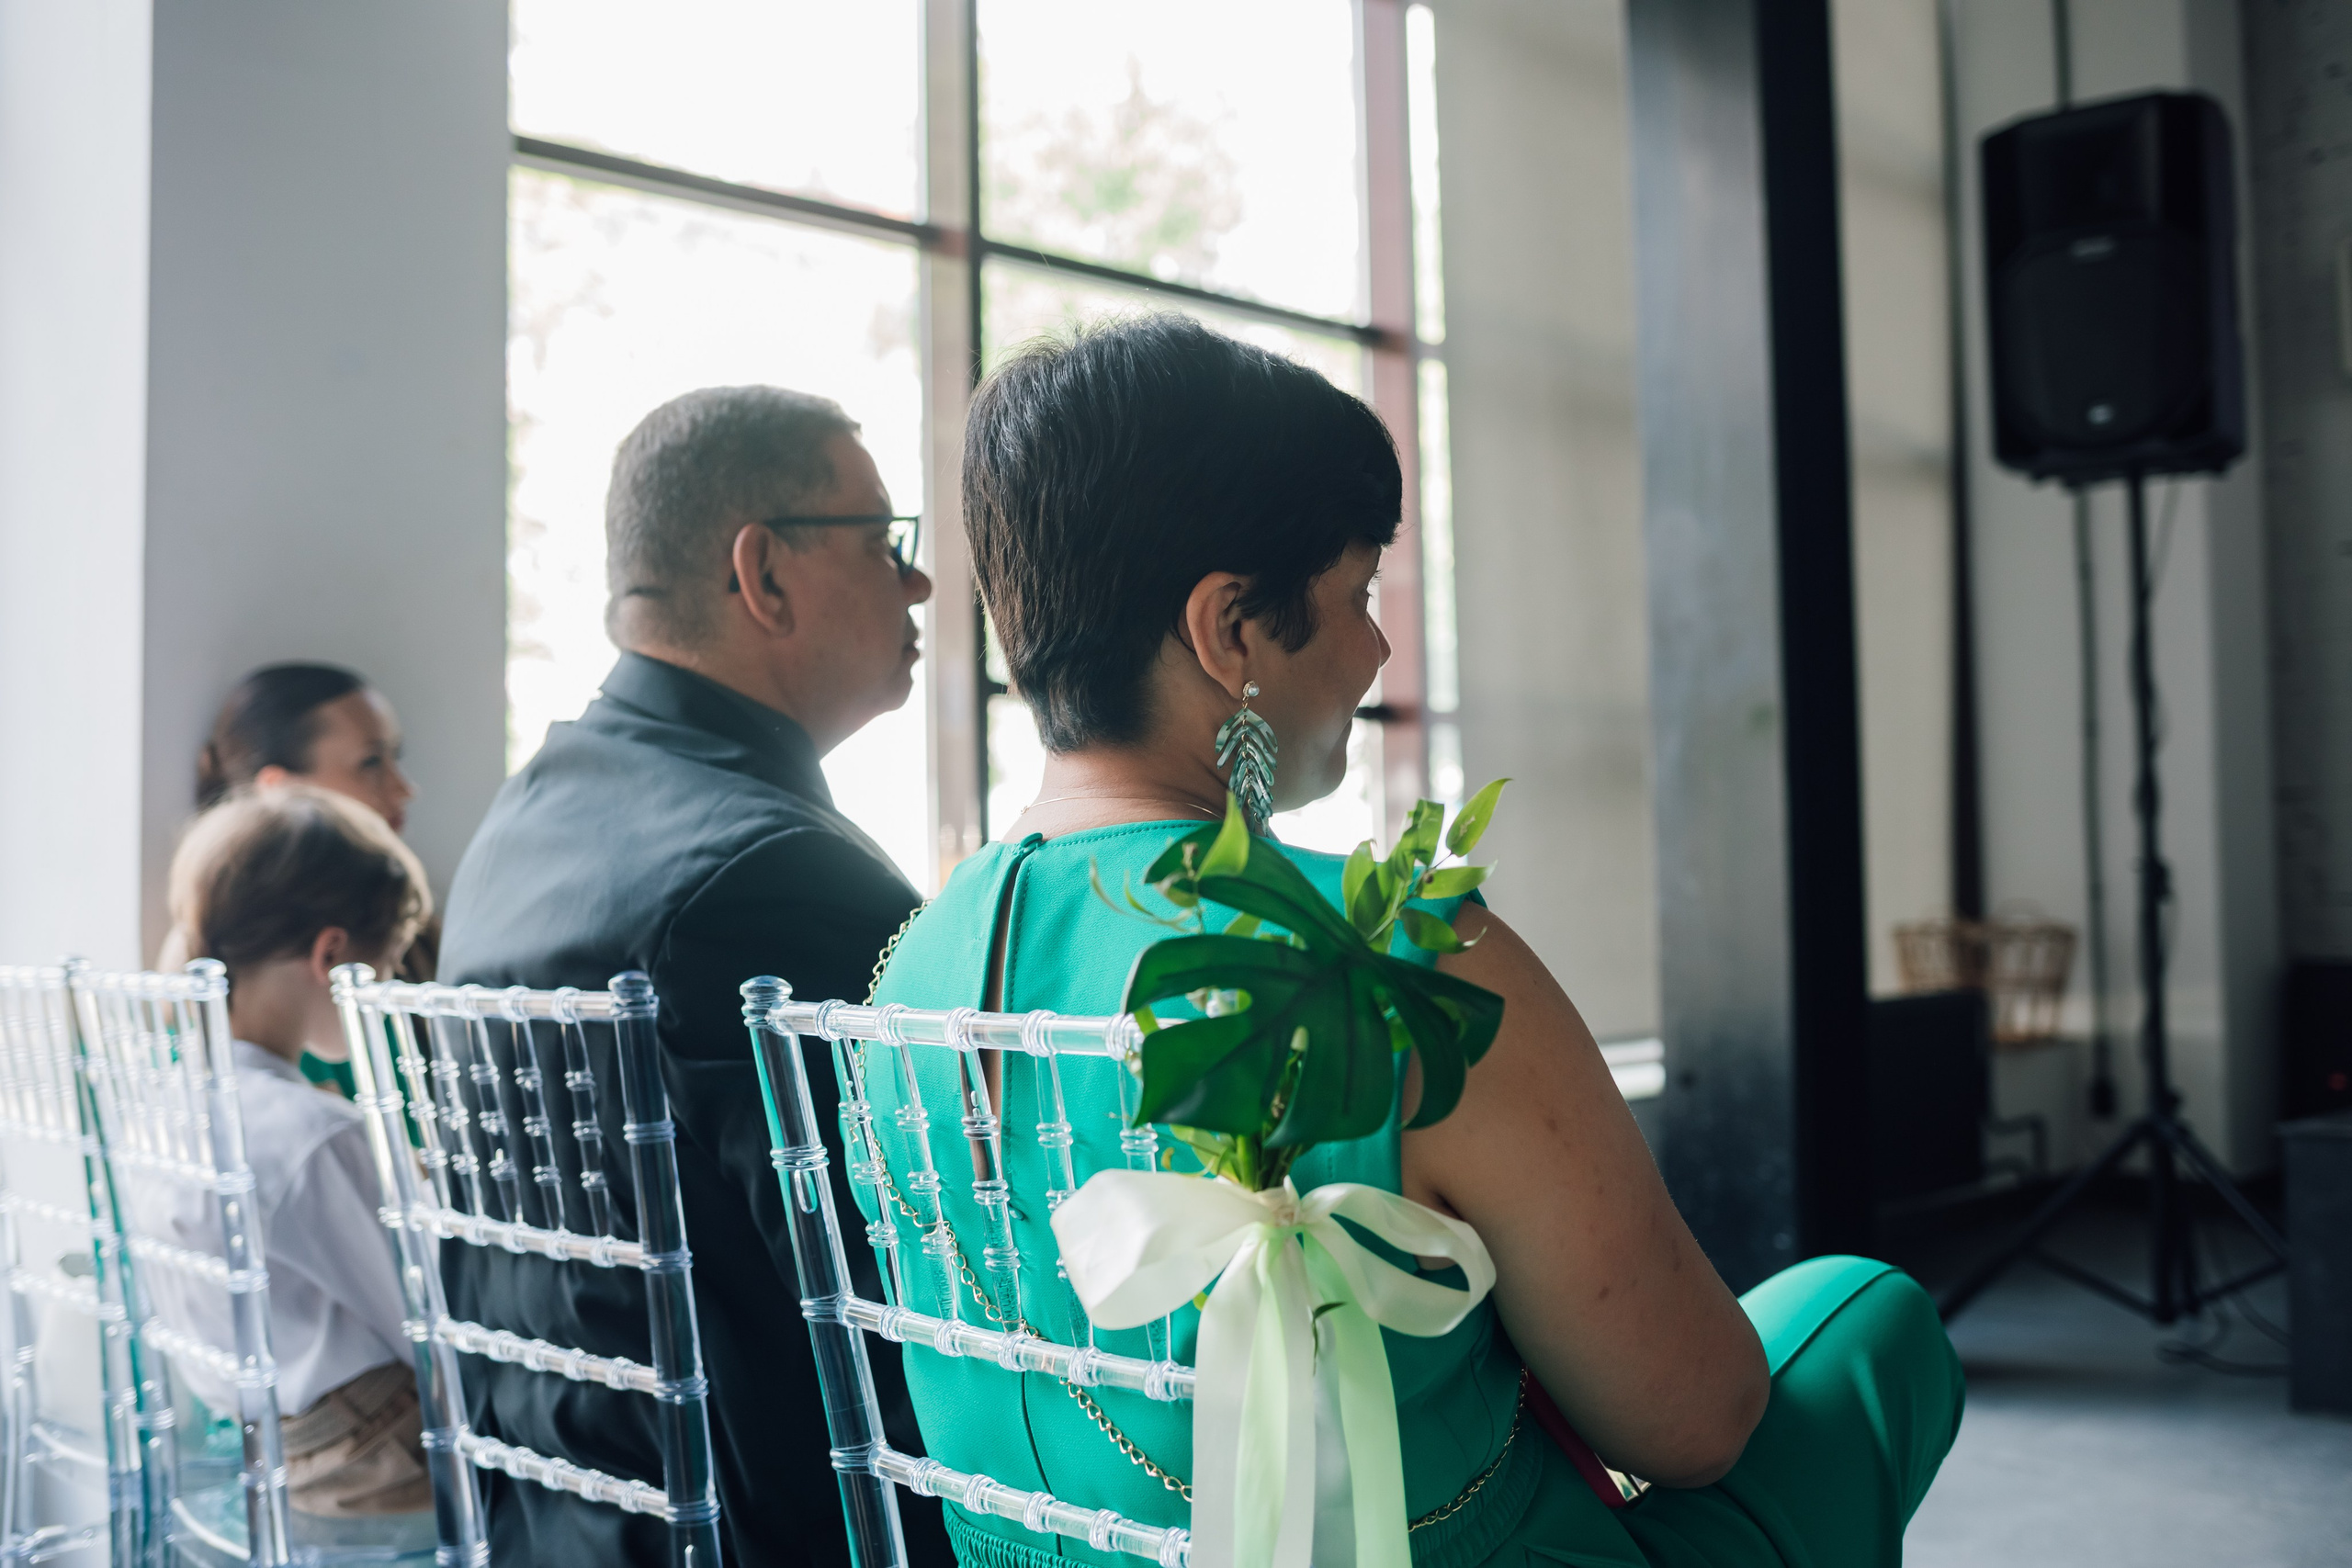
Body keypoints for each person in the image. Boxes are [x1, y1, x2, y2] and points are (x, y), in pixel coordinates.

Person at [865, 315, 1964, 1568]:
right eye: (1356, 594)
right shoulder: (1386, 951)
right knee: (1869, 1315)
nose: (1380, 647)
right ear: (1230, 628)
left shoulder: (910, 970)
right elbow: (1695, 1418)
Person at [435, 386, 952, 1567]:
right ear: (761, 573)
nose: (917, 585)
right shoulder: (768, 878)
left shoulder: (518, 829)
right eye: (883, 543)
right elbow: (920, 1313)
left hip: (553, 1527)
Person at [156, 784, 432, 1517]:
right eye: (393, 960)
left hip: (247, 1448)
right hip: (369, 1459)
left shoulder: (167, 1100)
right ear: (332, 953)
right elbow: (431, 1326)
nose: (393, 984)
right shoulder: (314, 1132)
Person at [169, 662, 436, 986]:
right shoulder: (207, 959)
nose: (404, 789)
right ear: (280, 790)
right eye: (370, 762)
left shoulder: (411, 924)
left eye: (396, 757)